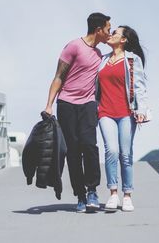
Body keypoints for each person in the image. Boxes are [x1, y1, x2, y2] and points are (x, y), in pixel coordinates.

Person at [44, 12, 111, 212]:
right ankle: (80, 195)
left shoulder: (100, 54)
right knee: (73, 151)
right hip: (66, 104)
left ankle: (92, 190)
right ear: (98, 30)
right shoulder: (73, 46)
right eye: (108, 29)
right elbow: (58, 76)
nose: (109, 33)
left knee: (90, 146)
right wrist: (49, 105)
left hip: (88, 105)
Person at [96, 25, 148, 212]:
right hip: (105, 112)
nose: (110, 35)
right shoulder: (102, 60)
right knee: (111, 150)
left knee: (125, 154)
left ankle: (127, 195)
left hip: (127, 113)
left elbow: (140, 86)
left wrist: (141, 109)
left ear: (123, 40)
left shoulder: (133, 60)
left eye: (115, 33)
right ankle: (113, 193)